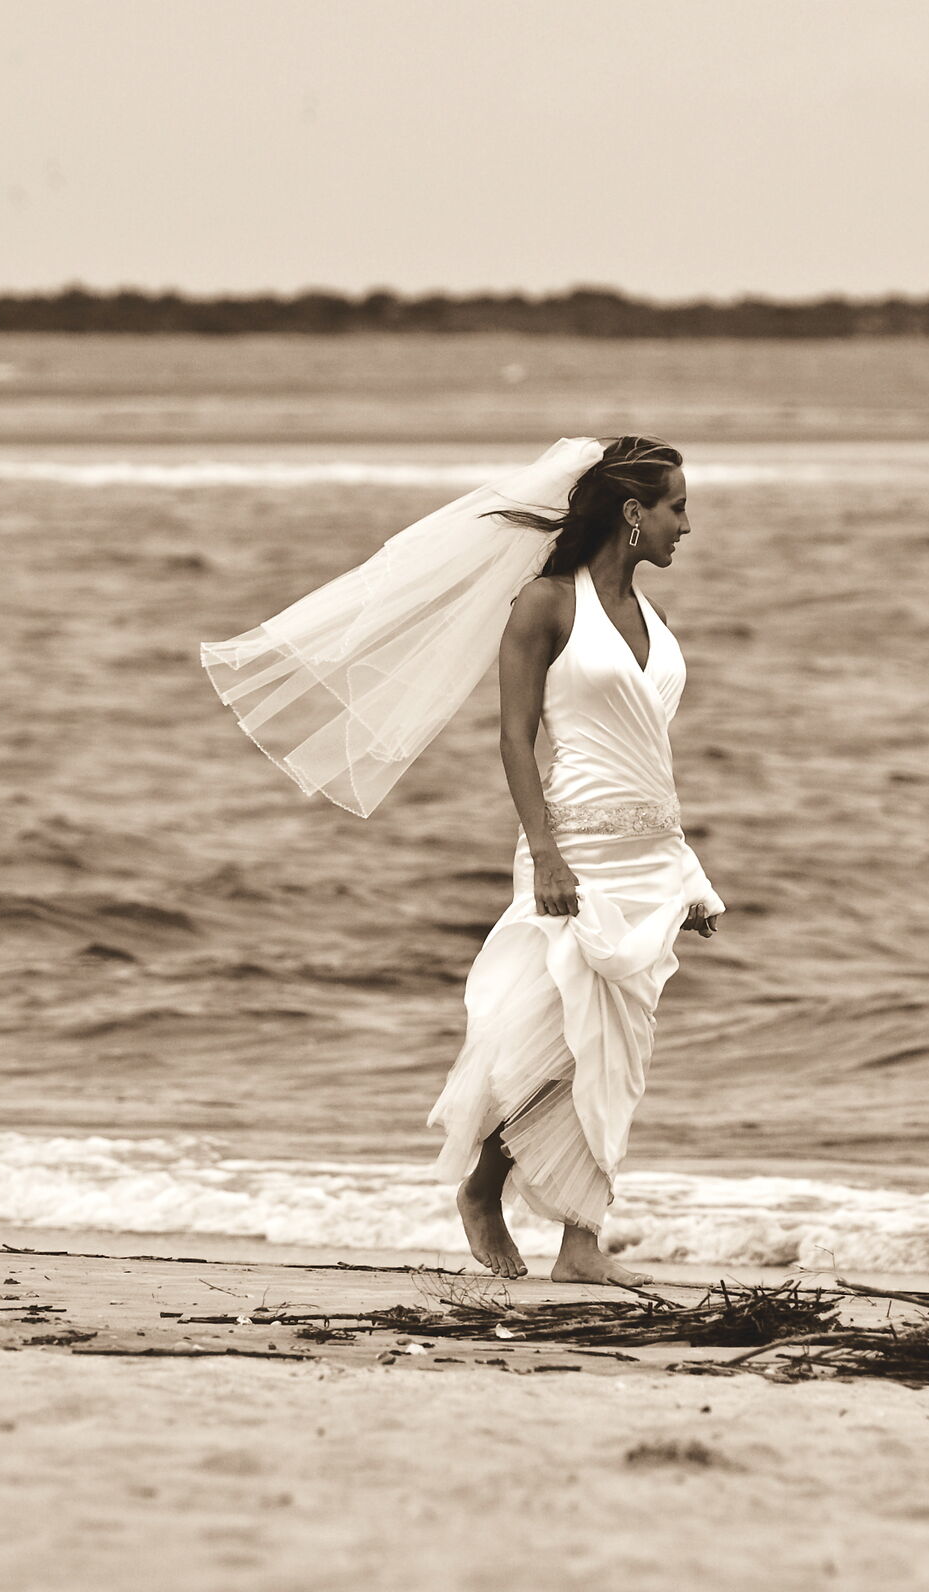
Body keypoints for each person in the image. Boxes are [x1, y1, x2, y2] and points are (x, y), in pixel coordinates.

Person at [201, 436, 724, 1286]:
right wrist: (548, 855)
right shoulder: (546, 605)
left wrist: (689, 877)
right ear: (634, 513)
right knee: (549, 1032)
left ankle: (580, 1245)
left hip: (649, 858)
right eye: (676, 507)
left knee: (616, 1050)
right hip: (573, 848)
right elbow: (515, 741)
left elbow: (650, 756)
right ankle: (484, 1193)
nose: (687, 527)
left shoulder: (655, 621)